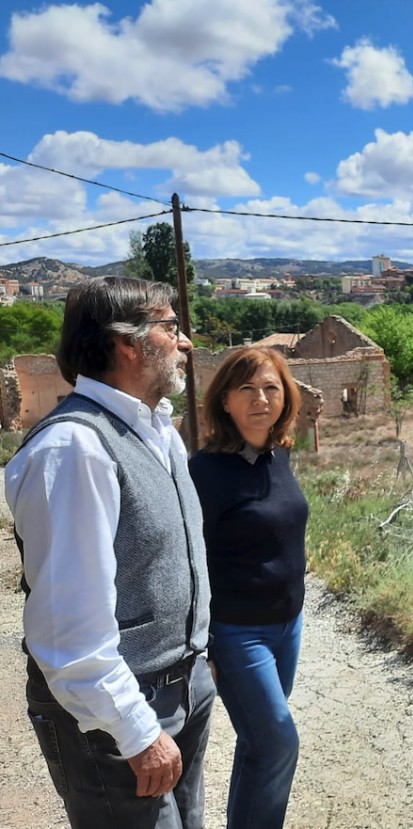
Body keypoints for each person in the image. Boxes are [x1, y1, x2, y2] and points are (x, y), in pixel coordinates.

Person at [6, 276, 214, 829]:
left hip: (182, 683)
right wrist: (137, 731)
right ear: (128, 343)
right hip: (120, 710)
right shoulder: (73, 448)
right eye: (171, 327)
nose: (186, 341)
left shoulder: (158, 430)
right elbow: (67, 632)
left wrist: (199, 654)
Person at [188, 346, 308, 829]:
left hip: (288, 625)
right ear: (225, 401)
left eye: (271, 387)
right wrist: (207, 644)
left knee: (259, 742)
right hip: (239, 633)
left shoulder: (278, 456)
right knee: (278, 740)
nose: (261, 398)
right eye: (248, 389)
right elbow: (192, 562)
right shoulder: (206, 472)